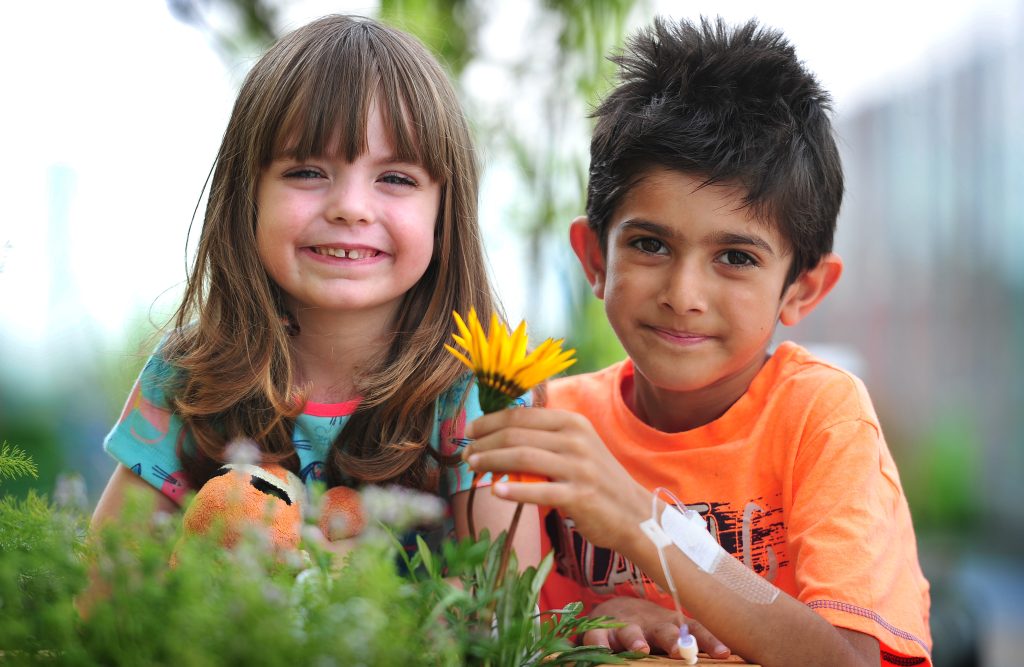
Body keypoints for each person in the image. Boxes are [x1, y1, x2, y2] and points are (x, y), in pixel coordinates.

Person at [462, 15, 931, 667]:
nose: (683, 293)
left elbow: (851, 661)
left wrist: (648, 526)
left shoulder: (821, 420)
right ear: (595, 258)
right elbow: (493, 636)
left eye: (736, 257)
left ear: (802, 290)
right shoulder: (548, 426)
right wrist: (590, 619)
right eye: (650, 244)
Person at [88, 14, 538, 587]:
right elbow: (103, 596)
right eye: (306, 171)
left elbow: (508, 607)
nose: (350, 207)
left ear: (444, 211)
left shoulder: (480, 391)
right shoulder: (188, 378)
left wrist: (352, 592)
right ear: (248, 196)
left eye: (396, 178)